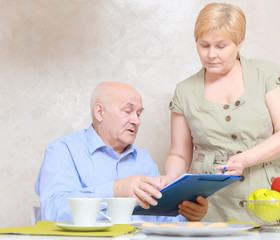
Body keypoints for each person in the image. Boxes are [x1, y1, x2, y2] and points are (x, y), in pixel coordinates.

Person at [162, 3, 280, 222]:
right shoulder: (184, 90)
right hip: (208, 206)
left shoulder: (265, 73)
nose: (211, 54)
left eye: (221, 46)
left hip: (266, 201)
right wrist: (170, 179)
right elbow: (179, 154)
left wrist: (245, 159)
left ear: (239, 43)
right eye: (203, 45)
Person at [35, 81, 208, 223]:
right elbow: (52, 212)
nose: (136, 121)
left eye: (139, 114)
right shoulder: (62, 151)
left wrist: (188, 214)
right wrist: (115, 190)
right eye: (128, 111)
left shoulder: (143, 159)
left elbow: (161, 220)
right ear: (100, 112)